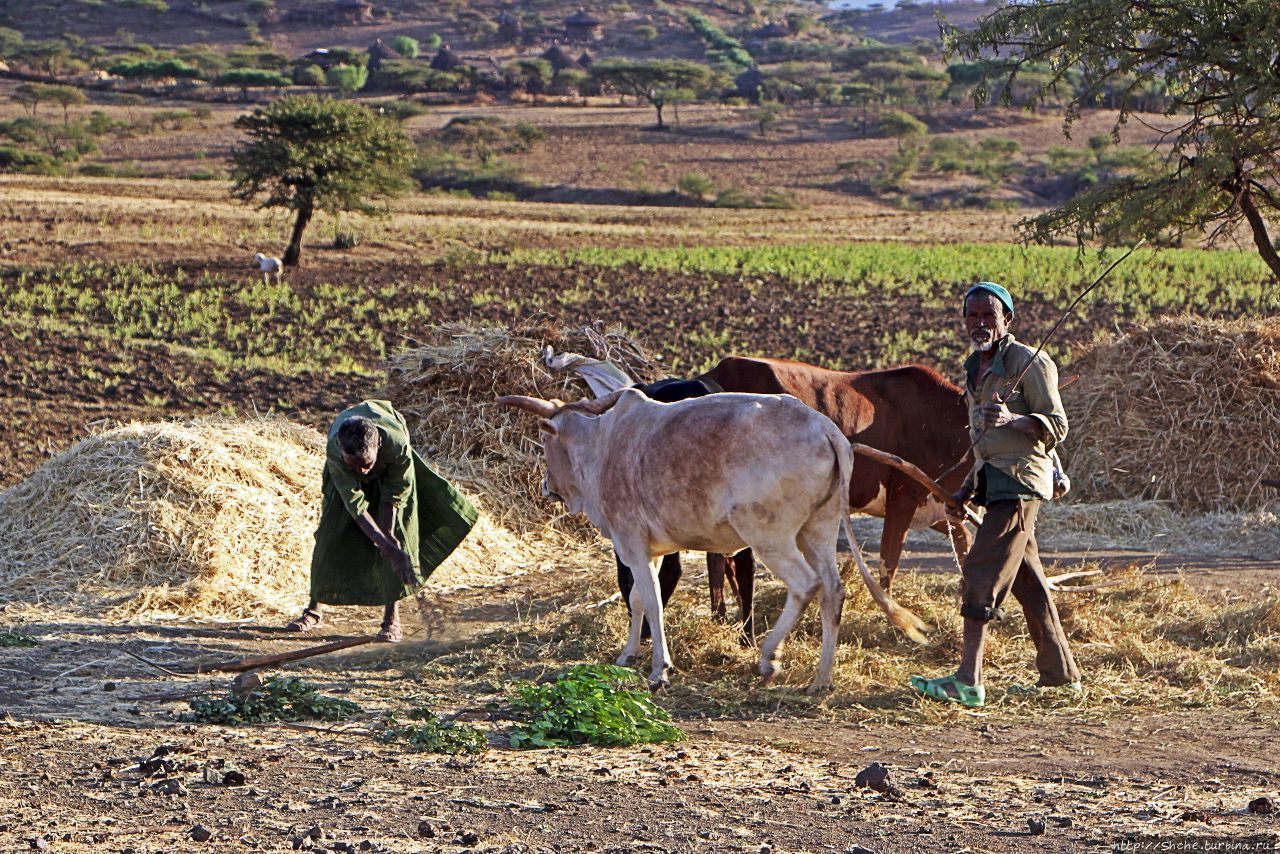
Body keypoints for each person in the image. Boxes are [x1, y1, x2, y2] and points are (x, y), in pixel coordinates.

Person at [910, 282, 1081, 707]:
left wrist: (1013, 419)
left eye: (990, 315)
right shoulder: (974, 369)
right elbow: (981, 441)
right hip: (993, 482)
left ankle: (968, 681)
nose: (981, 323)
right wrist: (966, 489)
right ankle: (1062, 676)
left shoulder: (1030, 361)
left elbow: (1057, 426)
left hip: (1021, 483)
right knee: (1028, 581)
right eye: (973, 315)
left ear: (1007, 320)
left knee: (981, 572)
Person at [285, 400, 478, 642]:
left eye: (366, 465)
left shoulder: (396, 445)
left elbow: (395, 492)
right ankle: (313, 610)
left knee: (399, 536)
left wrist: (388, 537)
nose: (362, 473)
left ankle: (391, 620)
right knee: (329, 535)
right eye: (354, 466)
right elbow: (354, 504)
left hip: (390, 469)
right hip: (349, 473)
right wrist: (382, 542)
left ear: (378, 445)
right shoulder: (336, 449)